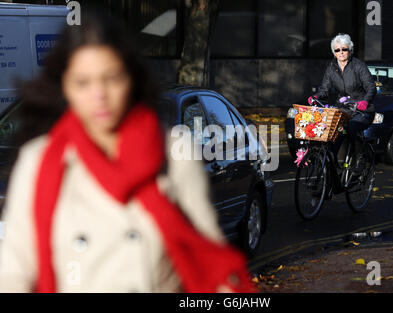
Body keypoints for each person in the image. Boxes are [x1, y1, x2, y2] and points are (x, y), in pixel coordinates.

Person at [0, 13, 254, 293]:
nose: (99, 94)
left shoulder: (173, 154)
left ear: (131, 80)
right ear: (65, 88)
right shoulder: (39, 160)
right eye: (83, 82)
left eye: (111, 78)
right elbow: (14, 270)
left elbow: (207, 259)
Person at [308, 33, 376, 173]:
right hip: (343, 109)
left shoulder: (358, 66)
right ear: (334, 52)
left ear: (350, 50)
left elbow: (371, 87)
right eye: (337, 50)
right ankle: (331, 165)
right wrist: (316, 97)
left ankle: (360, 159)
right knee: (331, 132)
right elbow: (325, 88)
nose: (341, 52)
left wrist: (365, 101)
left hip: (362, 110)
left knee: (352, 128)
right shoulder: (331, 68)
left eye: (344, 49)